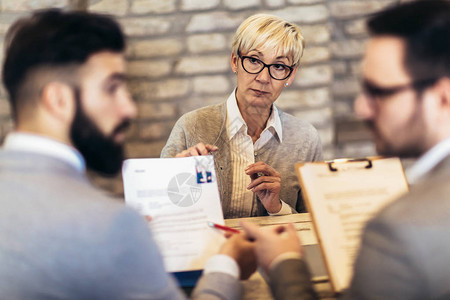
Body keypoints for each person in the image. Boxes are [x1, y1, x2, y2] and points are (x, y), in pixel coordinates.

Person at [0, 9, 256, 299]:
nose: (129, 108)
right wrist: (227, 265)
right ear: (58, 99)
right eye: (112, 88)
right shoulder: (110, 226)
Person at [240, 0, 450, 299]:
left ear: (442, 98)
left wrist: (284, 262)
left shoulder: (396, 229)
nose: (360, 108)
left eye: (379, 92)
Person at [161, 14, 323, 219]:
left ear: (290, 75)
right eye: (254, 61)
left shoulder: (306, 139)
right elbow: (159, 215)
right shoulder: (190, 127)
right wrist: (175, 177)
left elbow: (317, 224)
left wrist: (277, 207)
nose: (263, 78)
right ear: (235, 61)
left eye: (278, 66)